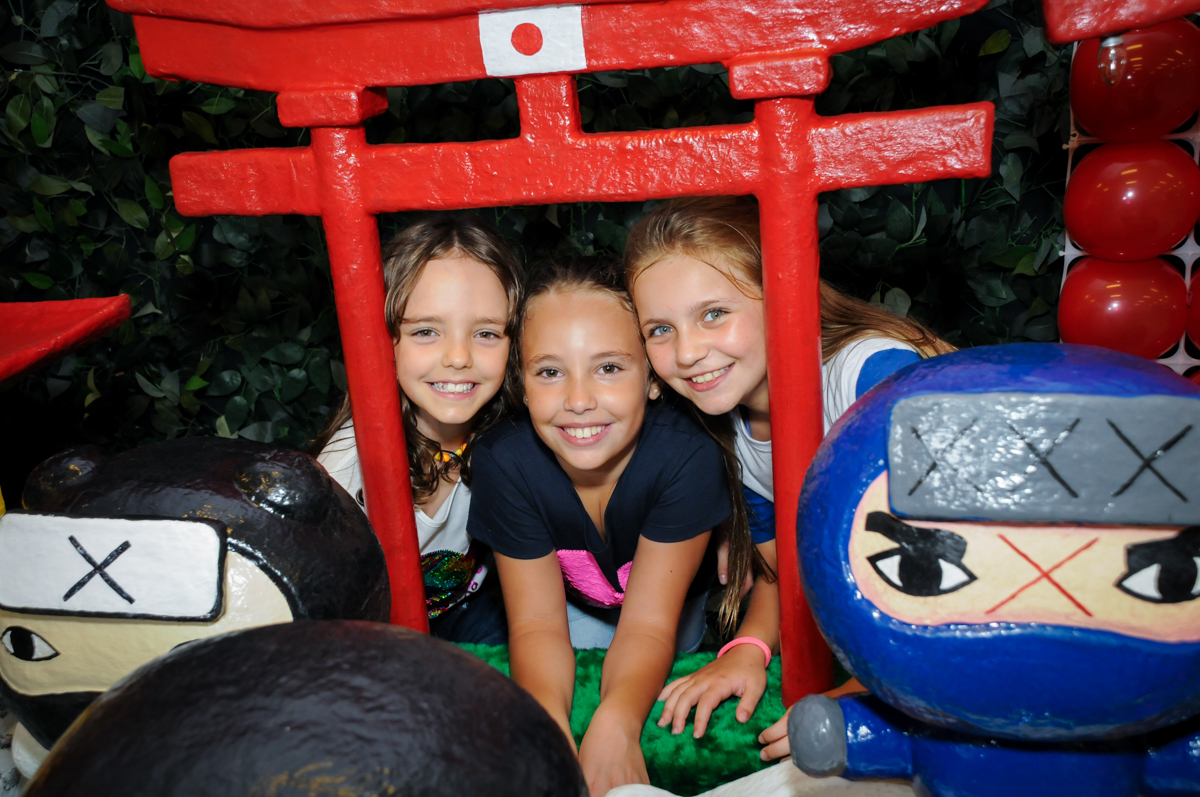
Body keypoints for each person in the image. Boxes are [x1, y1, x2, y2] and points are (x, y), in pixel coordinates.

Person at [623, 195, 953, 746]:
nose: (686, 352)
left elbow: (954, 556)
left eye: (713, 314)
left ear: (785, 295)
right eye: (659, 329)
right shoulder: (727, 429)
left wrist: (861, 695)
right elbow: (785, 572)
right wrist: (748, 650)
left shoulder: (871, 374)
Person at [466, 257, 730, 795]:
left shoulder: (686, 458)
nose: (579, 400)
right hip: (573, 612)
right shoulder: (504, 462)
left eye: (608, 368)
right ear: (521, 382)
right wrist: (545, 724)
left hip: (670, 618)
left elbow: (651, 627)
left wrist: (619, 721)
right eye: (550, 371)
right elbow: (538, 625)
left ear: (653, 379)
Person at [312, 213, 521, 645]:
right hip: (370, 624)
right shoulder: (346, 464)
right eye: (427, 331)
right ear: (383, 340)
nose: (459, 357)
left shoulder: (513, 436)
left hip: (475, 609)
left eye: (485, 333)